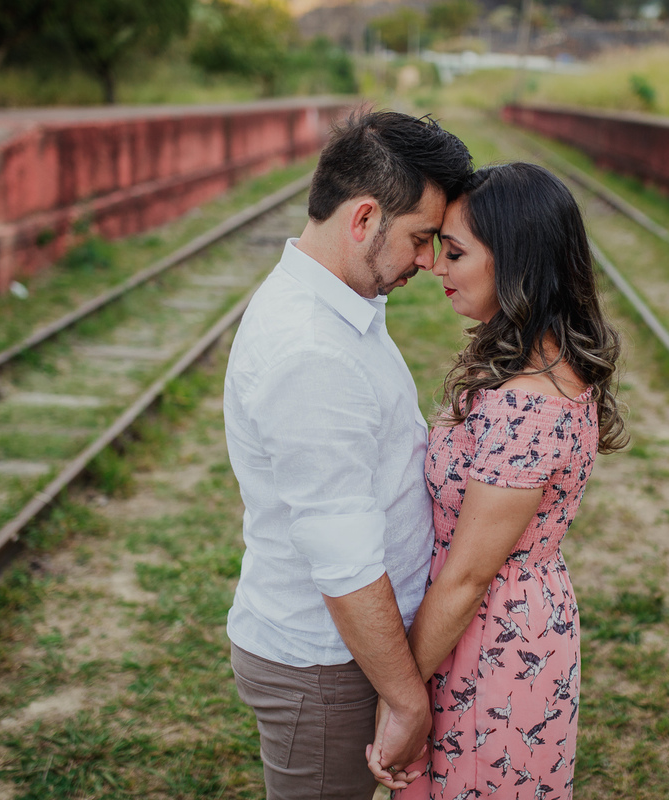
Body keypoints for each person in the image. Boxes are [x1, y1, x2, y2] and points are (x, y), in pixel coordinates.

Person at [222, 110, 472, 799]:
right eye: (422, 239)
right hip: (327, 667)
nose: (428, 261)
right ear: (363, 219)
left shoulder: (340, 308)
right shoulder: (311, 351)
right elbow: (344, 558)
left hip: (346, 655)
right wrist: (406, 699)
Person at [370, 162, 628, 799]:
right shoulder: (542, 367)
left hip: (486, 645)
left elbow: (468, 575)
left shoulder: (527, 406)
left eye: (454, 252)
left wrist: (399, 698)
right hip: (498, 629)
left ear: (515, 263)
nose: (435, 266)